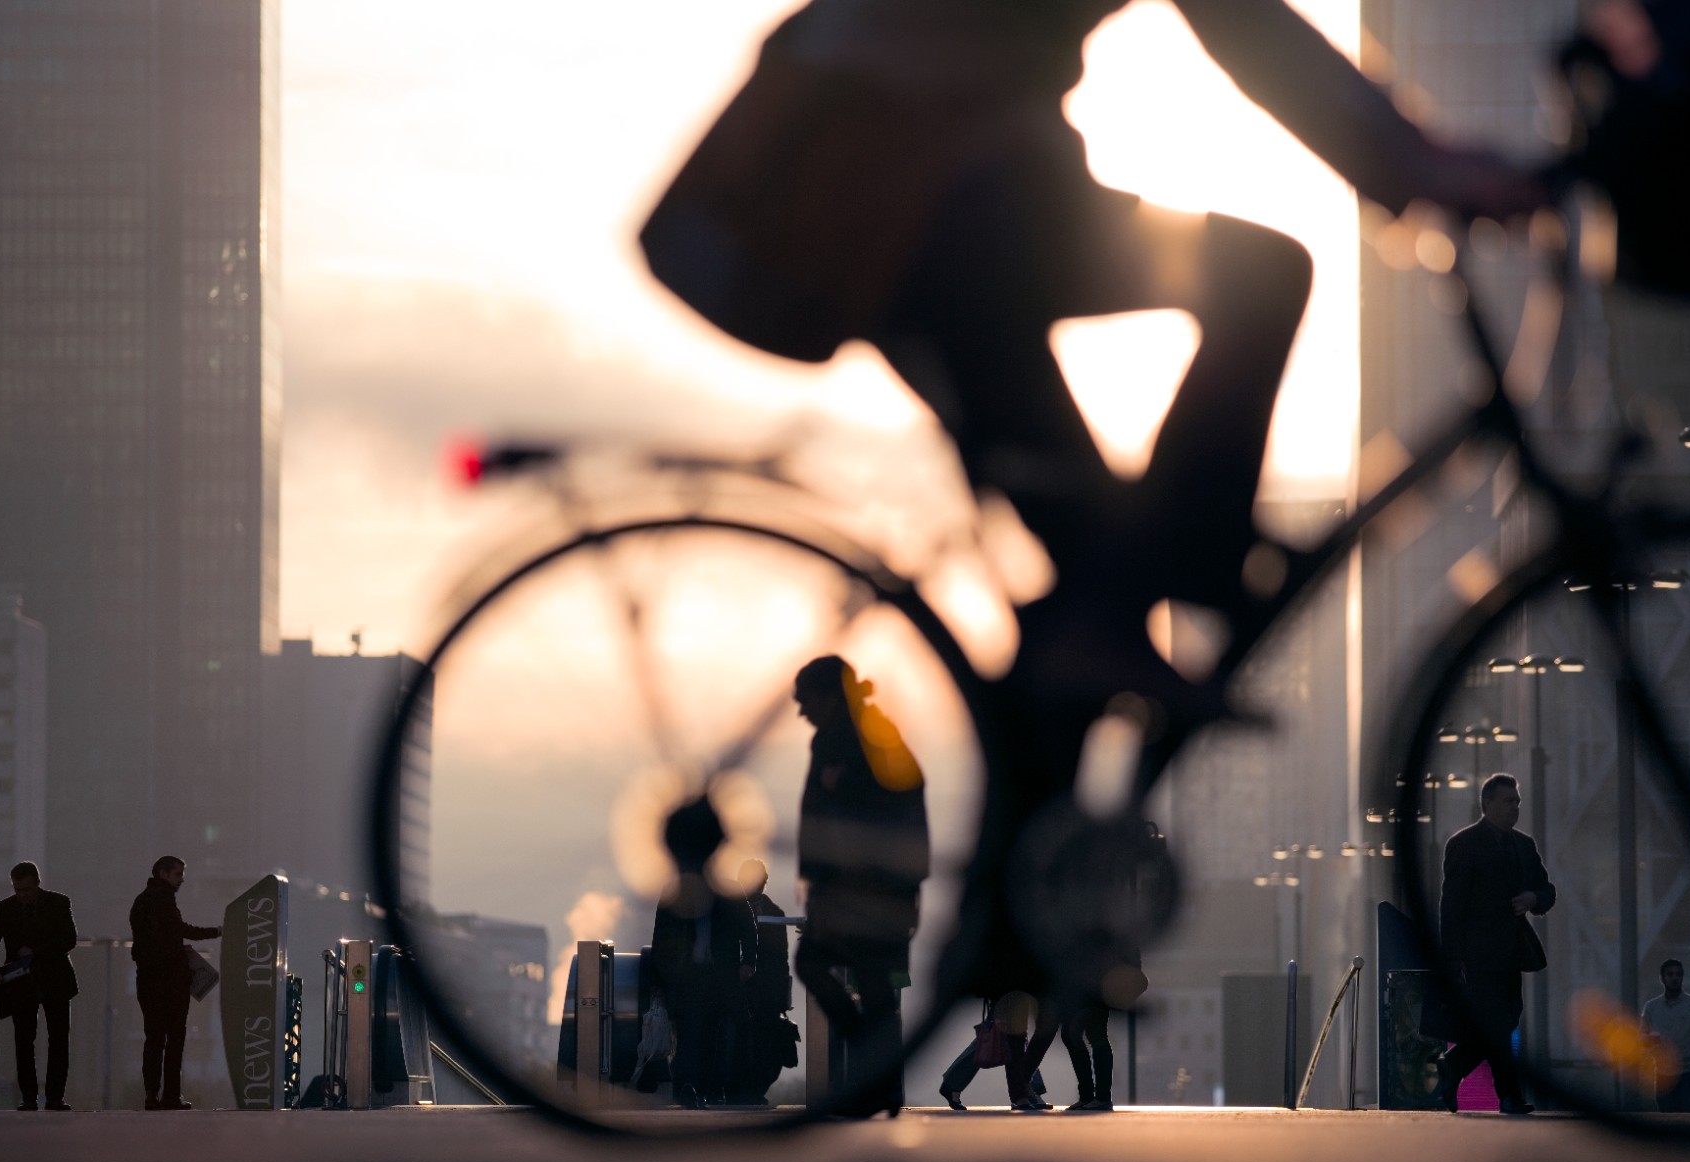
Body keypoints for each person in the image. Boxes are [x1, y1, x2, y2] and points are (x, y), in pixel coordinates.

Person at [643, 0, 1545, 801]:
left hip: (903, 210)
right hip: (904, 198)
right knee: (1262, 277)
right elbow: (1250, 32)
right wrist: (1417, 165)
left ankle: (1016, 932)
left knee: (1083, 598)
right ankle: (1190, 564)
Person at [792, 654, 928, 1115]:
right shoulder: (843, 737)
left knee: (827, 968)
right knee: (871, 986)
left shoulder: (865, 739)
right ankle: (880, 1079)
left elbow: (900, 795)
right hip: (859, 886)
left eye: (805, 700)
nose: (801, 711)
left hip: (868, 886)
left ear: (829, 697)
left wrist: (845, 785)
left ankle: (877, 1080)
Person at [1438, 773, 1557, 1115]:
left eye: (1517, 802)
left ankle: (1454, 1065)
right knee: (1498, 1021)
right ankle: (1508, 1096)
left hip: (1511, 951)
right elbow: (1452, 903)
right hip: (1478, 953)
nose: (1514, 808)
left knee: (1504, 1019)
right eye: (1507, 802)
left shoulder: (1524, 845)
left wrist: (1533, 897)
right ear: (1486, 804)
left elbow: (1547, 890)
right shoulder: (1464, 844)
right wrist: (1453, 956)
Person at [650, 799, 760, 1108]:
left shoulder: (726, 891)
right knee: (692, 1034)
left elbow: (747, 929)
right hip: (693, 975)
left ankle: (711, 1089)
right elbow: (662, 938)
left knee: (714, 1034)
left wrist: (747, 962)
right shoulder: (679, 893)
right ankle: (689, 1089)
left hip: (717, 973)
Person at [0, 861, 80, 1111]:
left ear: (37, 884)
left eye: (26, 890)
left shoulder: (59, 903)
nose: (22, 895)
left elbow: (69, 939)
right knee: (24, 1041)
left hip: (54, 979)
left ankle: (54, 1097)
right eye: (17, 890)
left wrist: (35, 953)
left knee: (57, 1040)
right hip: (22, 983)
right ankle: (29, 1097)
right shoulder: (5, 910)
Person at [129, 854, 221, 1110]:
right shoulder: (165, 900)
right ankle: (171, 1095)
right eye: (177, 874)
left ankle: (150, 1094)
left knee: (153, 1038)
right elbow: (181, 930)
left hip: (147, 979)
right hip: (171, 981)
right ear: (163, 874)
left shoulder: (140, 902)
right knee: (175, 1038)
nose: (181, 879)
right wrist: (216, 931)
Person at [727, 858, 796, 1105]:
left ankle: (748, 1090)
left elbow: (781, 959)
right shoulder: (773, 914)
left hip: (758, 991)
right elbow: (782, 960)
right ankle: (748, 1091)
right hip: (754, 990)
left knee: (753, 1042)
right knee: (752, 1042)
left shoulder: (767, 913)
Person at [1640, 959, 1690, 1113]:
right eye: (1670, 974)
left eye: (1678, 974)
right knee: (1666, 1120)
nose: (1674, 978)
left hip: (1689, 1072)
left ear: (1682, 978)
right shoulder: (1651, 1007)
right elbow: (1641, 1039)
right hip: (1663, 1073)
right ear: (1662, 978)